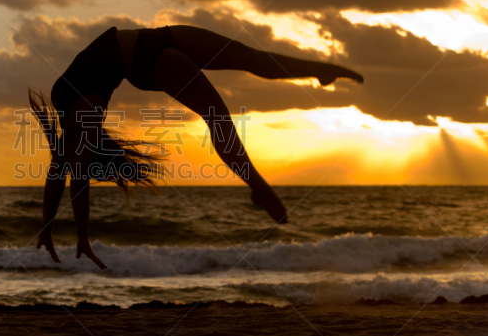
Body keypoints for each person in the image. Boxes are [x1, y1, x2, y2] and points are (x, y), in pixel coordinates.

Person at [29, 25, 363, 269]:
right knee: (217, 114)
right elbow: (77, 183)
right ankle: (258, 187)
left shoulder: (67, 124)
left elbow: (58, 174)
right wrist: (82, 238)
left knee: (250, 57)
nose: (77, 159)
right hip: (146, 61)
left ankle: (319, 71)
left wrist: (47, 228)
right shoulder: (84, 121)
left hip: (159, 36)